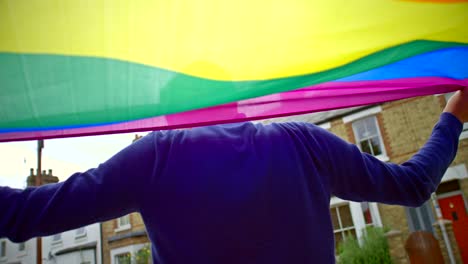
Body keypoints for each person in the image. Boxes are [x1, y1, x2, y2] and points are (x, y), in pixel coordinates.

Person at [1, 88, 467, 264]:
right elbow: (413, 184)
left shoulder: (155, 157)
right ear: (244, 100)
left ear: (171, 110)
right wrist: (453, 113)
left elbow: (25, 214)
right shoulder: (303, 142)